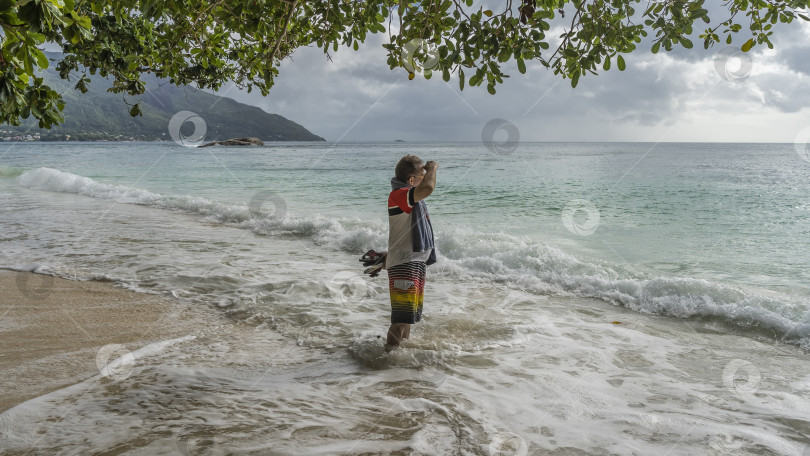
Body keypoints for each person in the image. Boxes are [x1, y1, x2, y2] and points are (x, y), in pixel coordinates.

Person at [385, 155, 438, 351]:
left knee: (407, 319)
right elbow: (429, 188)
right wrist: (432, 168)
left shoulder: (407, 195)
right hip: (404, 263)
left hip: (413, 262)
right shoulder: (399, 194)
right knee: (400, 320)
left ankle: (400, 359)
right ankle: (387, 360)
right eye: (421, 176)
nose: (425, 178)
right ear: (411, 181)